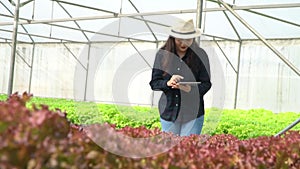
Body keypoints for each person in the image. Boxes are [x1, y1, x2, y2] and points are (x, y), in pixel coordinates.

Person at [149, 19, 212, 136]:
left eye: (188, 40)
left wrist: (190, 90)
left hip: (193, 114)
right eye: (179, 40)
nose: (183, 44)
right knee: (170, 151)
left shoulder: (200, 55)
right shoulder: (162, 54)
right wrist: (168, 83)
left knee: (188, 151)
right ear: (173, 38)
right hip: (169, 112)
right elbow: (154, 83)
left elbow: (206, 83)